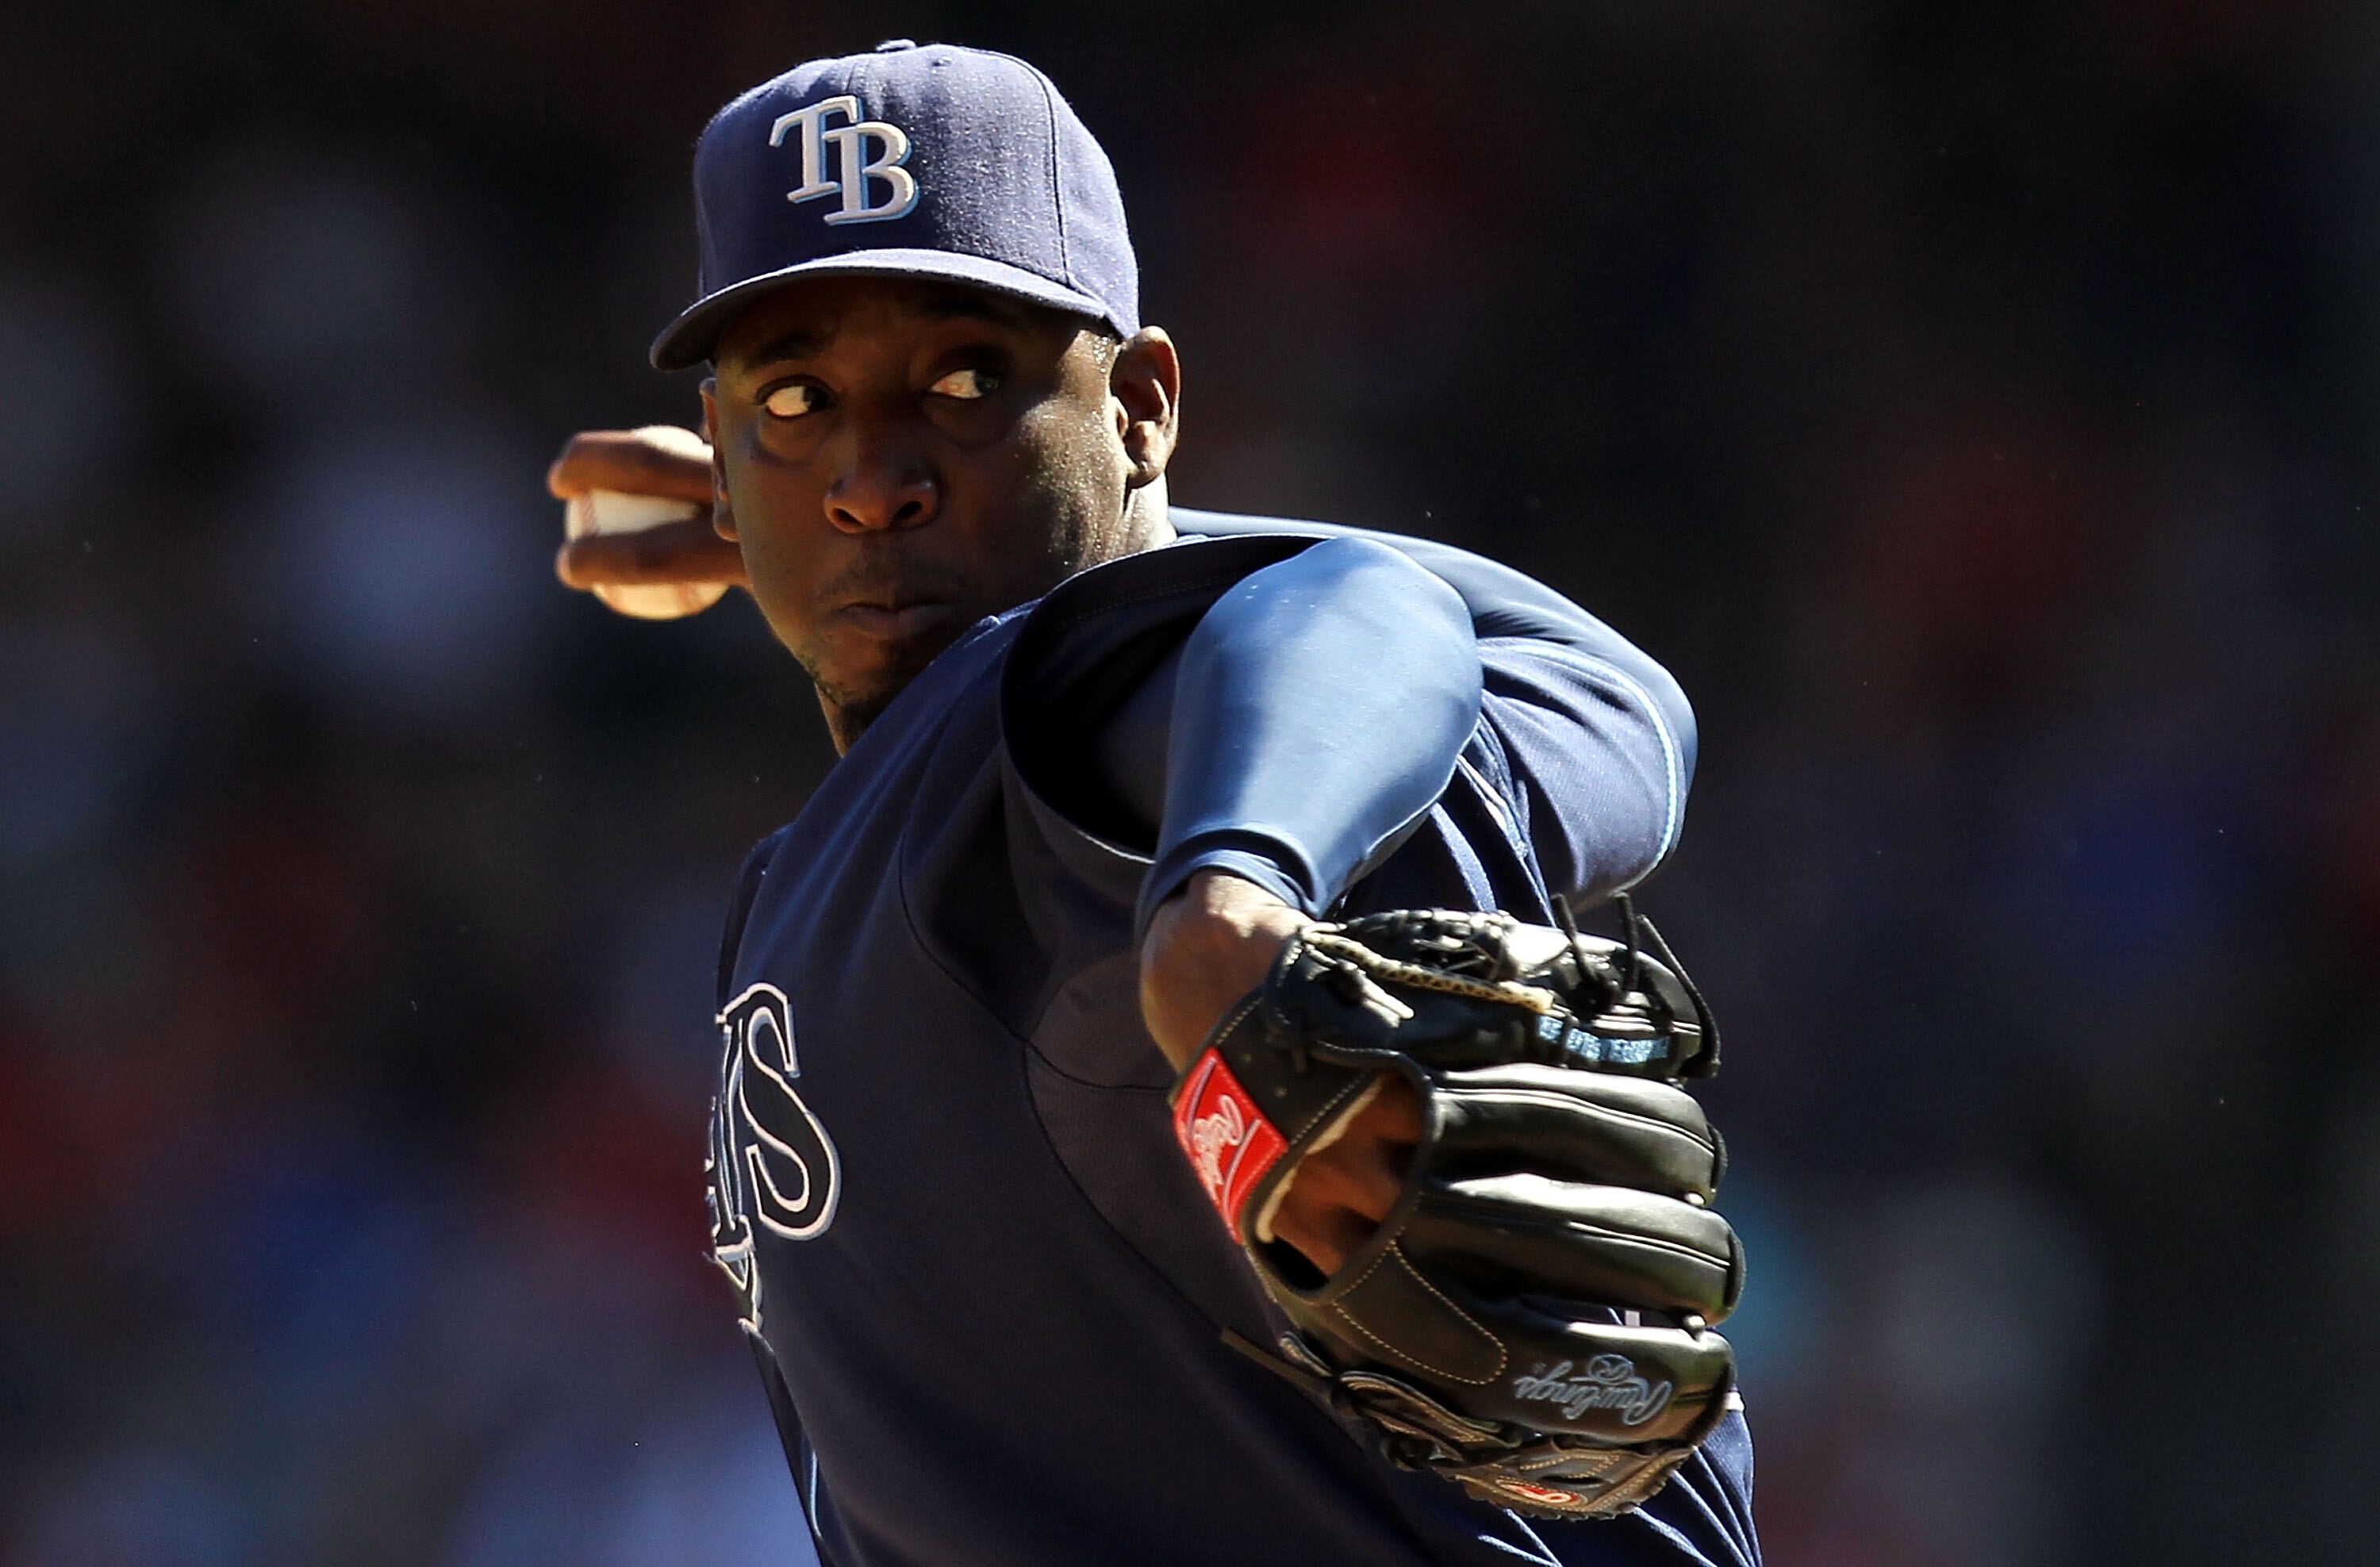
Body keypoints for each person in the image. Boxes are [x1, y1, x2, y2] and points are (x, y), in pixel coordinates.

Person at [550, 40, 1760, 1567]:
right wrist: (784, 534)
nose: (870, 478)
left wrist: (1236, 894)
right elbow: (1617, 698)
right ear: (719, 466)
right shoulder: (1031, 755)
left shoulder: (1115, 730)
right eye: (799, 401)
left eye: (965, 384)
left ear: (1141, 407)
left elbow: (1349, 602)